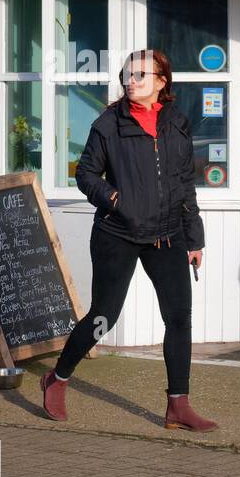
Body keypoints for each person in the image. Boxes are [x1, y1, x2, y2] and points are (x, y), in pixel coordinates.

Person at [42, 48, 216, 432]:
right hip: (117, 233)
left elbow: (185, 184)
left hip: (167, 234)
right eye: (127, 74)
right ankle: (58, 378)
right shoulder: (109, 124)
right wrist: (116, 199)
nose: (131, 81)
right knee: (104, 318)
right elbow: (85, 174)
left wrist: (194, 239)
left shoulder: (177, 123)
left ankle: (178, 406)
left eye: (140, 75)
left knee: (179, 319)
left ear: (161, 81)